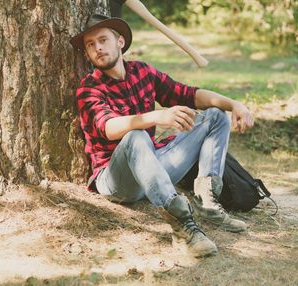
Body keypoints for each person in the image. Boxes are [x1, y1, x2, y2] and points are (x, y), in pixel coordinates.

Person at [70, 14, 255, 258]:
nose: (98, 48)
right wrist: (156, 117)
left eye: (103, 40)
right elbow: (109, 127)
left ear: (121, 42)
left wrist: (234, 104)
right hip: (116, 180)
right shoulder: (89, 87)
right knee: (135, 136)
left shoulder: (142, 72)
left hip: (151, 167)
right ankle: (183, 227)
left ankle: (208, 204)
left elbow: (188, 94)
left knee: (215, 116)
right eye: (90, 45)